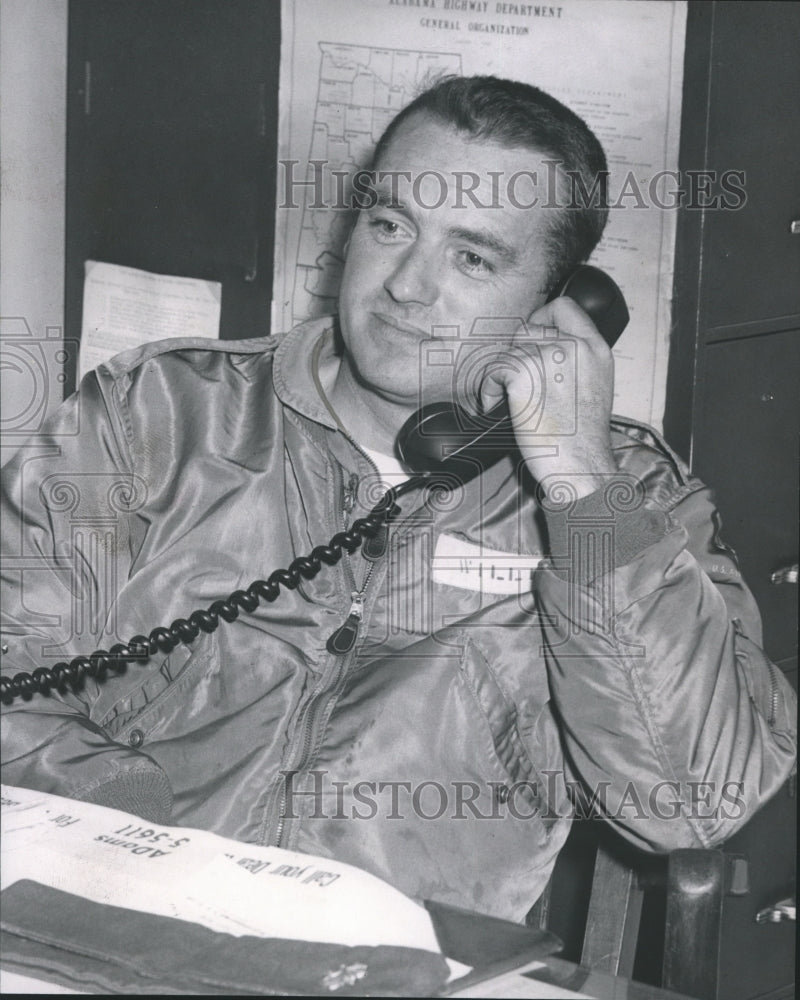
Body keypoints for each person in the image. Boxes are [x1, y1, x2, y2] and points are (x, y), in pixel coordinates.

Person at [0, 76, 795, 922]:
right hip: (109, 919)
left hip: (402, 964)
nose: (407, 287)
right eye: (390, 225)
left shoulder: (627, 498)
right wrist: (156, 855)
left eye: (473, 257)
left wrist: (578, 486)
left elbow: (690, 803)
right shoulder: (150, 415)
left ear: (557, 307)